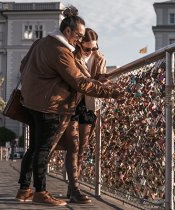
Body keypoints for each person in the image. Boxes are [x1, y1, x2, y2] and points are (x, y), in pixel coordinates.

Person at [15, 6, 121, 206]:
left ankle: (24, 189)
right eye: (79, 36)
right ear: (68, 32)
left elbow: (23, 65)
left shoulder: (41, 42)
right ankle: (41, 192)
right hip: (49, 105)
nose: (80, 40)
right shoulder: (61, 51)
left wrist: (41, 81)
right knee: (43, 149)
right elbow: (79, 83)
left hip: (32, 101)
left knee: (35, 147)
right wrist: (111, 92)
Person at [53, 28, 107, 204]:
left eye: (94, 48)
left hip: (89, 105)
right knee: (73, 146)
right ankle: (75, 188)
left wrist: (100, 69)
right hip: (73, 104)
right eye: (87, 49)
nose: (91, 52)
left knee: (82, 149)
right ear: (79, 44)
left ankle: (72, 188)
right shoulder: (71, 56)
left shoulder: (99, 58)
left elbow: (100, 84)